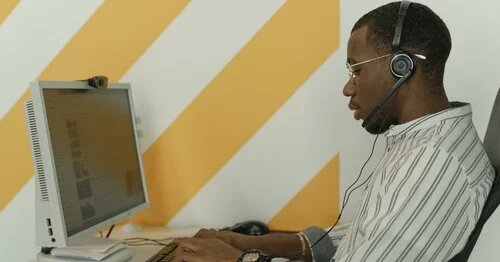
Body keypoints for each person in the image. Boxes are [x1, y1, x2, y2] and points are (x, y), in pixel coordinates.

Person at [172, 1, 496, 261]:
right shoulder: (425, 143)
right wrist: (248, 243)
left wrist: (236, 260)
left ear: (402, 67)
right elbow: (367, 236)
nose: (347, 88)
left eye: (356, 70)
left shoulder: (432, 163)